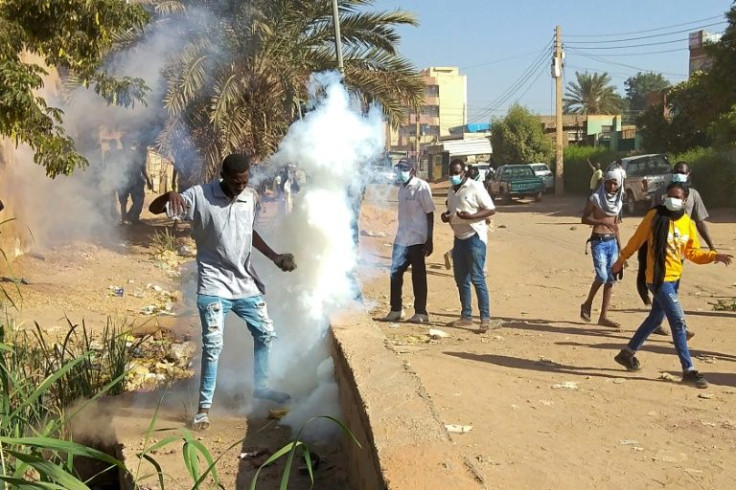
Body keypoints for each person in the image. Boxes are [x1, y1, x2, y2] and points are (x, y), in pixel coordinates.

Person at [149, 153, 297, 430]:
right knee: (214, 345)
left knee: (265, 333)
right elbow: (157, 209)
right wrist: (168, 195)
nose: (241, 186)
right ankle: (204, 408)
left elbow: (248, 232)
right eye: (236, 182)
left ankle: (261, 386)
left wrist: (275, 257)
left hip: (244, 282)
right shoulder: (199, 196)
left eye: (245, 181)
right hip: (213, 283)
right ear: (224, 177)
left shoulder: (250, 198)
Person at [610, 182, 732, 388]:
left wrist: (714, 256)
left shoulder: (686, 223)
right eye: (670, 195)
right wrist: (620, 260)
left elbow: (692, 253)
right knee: (678, 321)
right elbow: (636, 241)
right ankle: (689, 370)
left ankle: (627, 354)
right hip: (657, 279)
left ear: (685, 201)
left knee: (655, 318)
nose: (672, 199)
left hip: (674, 279)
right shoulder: (654, 216)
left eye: (677, 197)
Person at [649, 161, 716, 336]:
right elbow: (650, 221)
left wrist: (711, 247)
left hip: (680, 252)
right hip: (661, 250)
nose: (679, 174)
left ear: (689, 174)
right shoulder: (659, 194)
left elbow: (700, 222)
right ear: (672, 173)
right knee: (668, 291)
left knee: (666, 289)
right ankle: (681, 328)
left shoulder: (693, 195)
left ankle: (655, 322)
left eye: (682, 172)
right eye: (677, 171)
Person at [441, 159, 497, 333]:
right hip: (459, 239)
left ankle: (485, 319)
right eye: (451, 173)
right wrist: (446, 216)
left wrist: (471, 217)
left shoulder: (475, 187)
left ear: (463, 172)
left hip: (474, 238)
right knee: (461, 280)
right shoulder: (451, 191)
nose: (454, 176)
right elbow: (451, 210)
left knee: (477, 278)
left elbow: (491, 209)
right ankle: (466, 316)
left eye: (457, 173)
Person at [383, 159, 435, 323]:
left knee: (418, 277)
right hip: (401, 239)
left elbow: (430, 213)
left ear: (412, 170)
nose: (401, 172)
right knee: (395, 274)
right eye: (399, 169)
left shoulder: (421, 186)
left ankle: (421, 312)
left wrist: (429, 239)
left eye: (404, 169)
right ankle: (396, 309)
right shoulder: (402, 189)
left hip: (418, 239)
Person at [580, 170, 623, 328]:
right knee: (602, 276)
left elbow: (616, 226)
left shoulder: (618, 201)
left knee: (611, 279)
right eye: (609, 182)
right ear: (604, 182)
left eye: (614, 183)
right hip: (598, 241)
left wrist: (621, 250)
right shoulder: (595, 198)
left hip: (612, 242)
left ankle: (603, 316)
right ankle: (587, 304)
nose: (611, 186)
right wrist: (602, 223)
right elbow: (584, 218)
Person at [117, 136, 152, 224]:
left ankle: (127, 217)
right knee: (136, 199)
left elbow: (141, 167)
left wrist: (147, 179)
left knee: (130, 200)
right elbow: (142, 167)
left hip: (130, 180)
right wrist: (147, 179)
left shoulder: (122, 154)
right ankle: (131, 218)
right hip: (132, 180)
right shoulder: (135, 154)